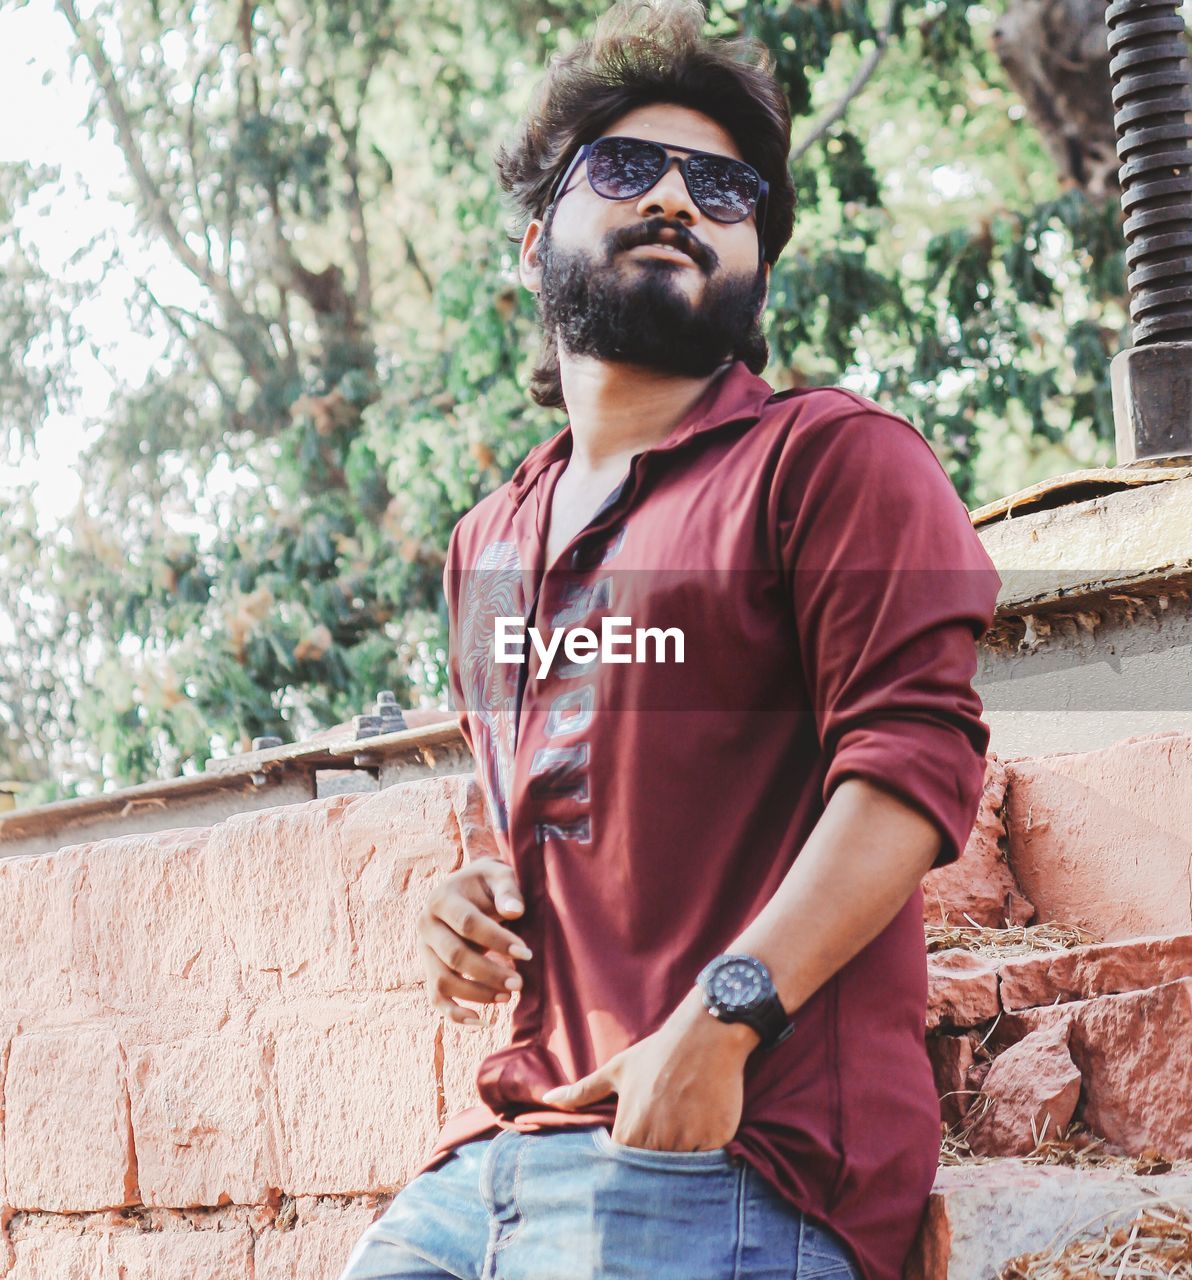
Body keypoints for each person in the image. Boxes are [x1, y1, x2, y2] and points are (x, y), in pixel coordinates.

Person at [339, 2, 999, 1277]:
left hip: (735, 1150)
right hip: (489, 1162)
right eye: (628, 168)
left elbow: (914, 765)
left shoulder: (830, 460)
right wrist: (458, 897)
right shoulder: (484, 545)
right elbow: (511, 809)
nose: (678, 201)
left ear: (754, 261)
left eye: (723, 186)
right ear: (536, 240)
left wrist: (721, 1020)